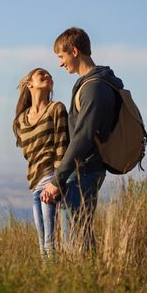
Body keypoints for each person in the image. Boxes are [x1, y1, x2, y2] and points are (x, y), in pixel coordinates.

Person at [41, 27, 124, 251]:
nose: (60, 63)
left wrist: (57, 180)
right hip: (85, 170)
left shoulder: (94, 87)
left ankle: (86, 281)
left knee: (76, 241)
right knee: (81, 235)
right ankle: (91, 280)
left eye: (61, 56)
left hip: (84, 171)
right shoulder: (95, 83)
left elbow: (83, 137)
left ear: (75, 51)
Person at [13, 68, 69, 257]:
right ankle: (46, 282)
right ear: (30, 84)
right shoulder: (21, 120)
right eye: (42, 75)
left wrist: (57, 182)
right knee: (41, 246)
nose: (48, 77)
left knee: (50, 243)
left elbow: (62, 146)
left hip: (51, 182)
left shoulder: (56, 108)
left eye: (50, 76)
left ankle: (55, 282)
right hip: (35, 185)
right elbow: (28, 152)